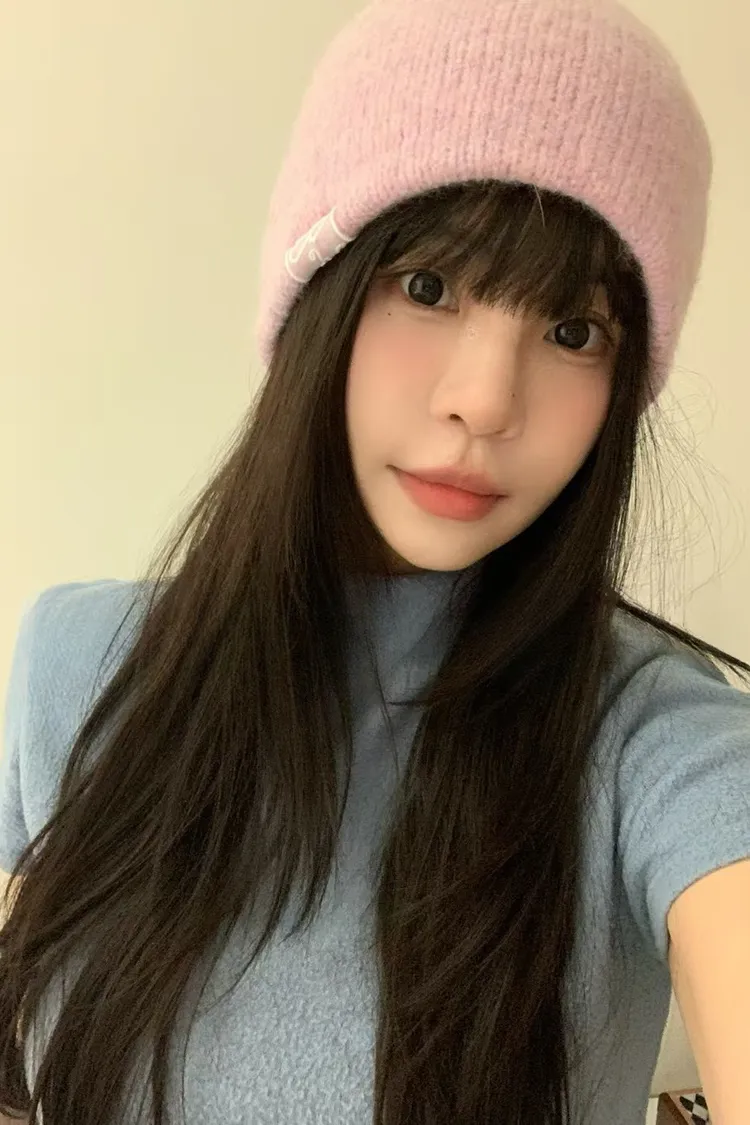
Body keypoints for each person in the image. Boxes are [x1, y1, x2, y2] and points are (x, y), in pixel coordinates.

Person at [0, 0, 748, 1122]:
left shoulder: (650, 732)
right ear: (320, 295)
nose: (485, 401)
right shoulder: (78, 661)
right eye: (430, 286)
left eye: (574, 331)